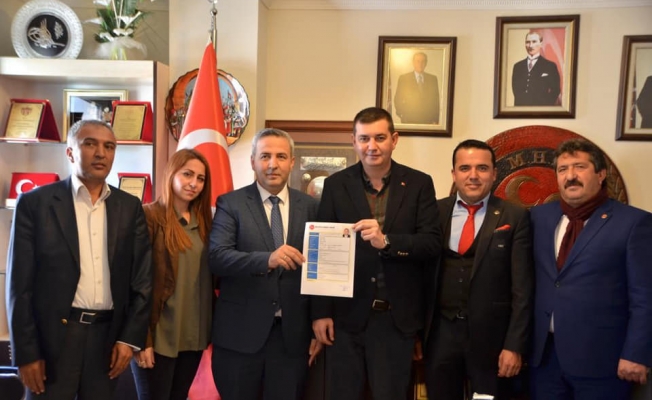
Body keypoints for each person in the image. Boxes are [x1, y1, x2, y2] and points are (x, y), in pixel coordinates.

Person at [5, 119, 152, 400]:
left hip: (107, 341)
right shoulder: (35, 204)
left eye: (109, 146)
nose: (101, 153)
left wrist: (129, 338)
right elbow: (18, 286)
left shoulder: (129, 207)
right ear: (70, 152)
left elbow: (142, 280)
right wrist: (26, 352)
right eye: (90, 144)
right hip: (53, 341)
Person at [312, 107, 441, 400]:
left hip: (396, 318)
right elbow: (323, 250)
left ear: (394, 139)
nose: (372, 146)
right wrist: (321, 312)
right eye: (364, 138)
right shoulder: (335, 185)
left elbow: (431, 243)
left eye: (380, 138)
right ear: (354, 141)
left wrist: (387, 242)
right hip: (346, 318)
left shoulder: (419, 184)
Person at [529, 139, 652, 400]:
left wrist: (637, 353)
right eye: (563, 169)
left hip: (604, 362)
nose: (570, 176)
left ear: (601, 174)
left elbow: (645, 296)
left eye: (579, 167)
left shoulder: (634, 223)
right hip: (545, 361)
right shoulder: (538, 218)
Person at [209, 128, 322, 400]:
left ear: (292, 162)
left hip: (292, 340)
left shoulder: (311, 207)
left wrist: (317, 321)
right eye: (265, 156)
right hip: (239, 338)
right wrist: (267, 259)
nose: (273, 164)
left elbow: (318, 271)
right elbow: (217, 257)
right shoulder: (231, 204)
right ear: (253, 162)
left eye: (281, 156)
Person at [423, 139, 533, 400]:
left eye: (482, 168)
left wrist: (514, 346)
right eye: (465, 168)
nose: (473, 175)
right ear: (454, 174)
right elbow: (419, 278)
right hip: (440, 336)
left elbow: (523, 289)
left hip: (492, 340)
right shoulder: (434, 212)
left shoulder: (515, 216)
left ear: (494, 174)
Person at [130, 149, 214, 400]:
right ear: (171, 174)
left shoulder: (206, 222)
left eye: (200, 178)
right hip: (158, 335)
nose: (194, 183)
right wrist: (141, 339)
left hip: (193, 335)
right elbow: (134, 282)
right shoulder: (149, 216)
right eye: (187, 174)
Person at [511, 31, 561, 106]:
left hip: (541, 110)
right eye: (528, 42)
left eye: (534, 42)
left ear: (541, 44)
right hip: (521, 109)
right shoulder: (517, 66)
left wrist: (545, 106)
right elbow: (515, 91)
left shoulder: (550, 66)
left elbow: (556, 90)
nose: (530, 45)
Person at [394, 51, 441, 124]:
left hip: (428, 121)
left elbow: (436, 101)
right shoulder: (404, 78)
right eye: (418, 61)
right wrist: (402, 115)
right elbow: (398, 99)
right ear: (413, 62)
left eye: (423, 61)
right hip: (409, 120)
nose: (420, 64)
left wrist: (435, 119)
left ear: (426, 63)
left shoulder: (433, 79)